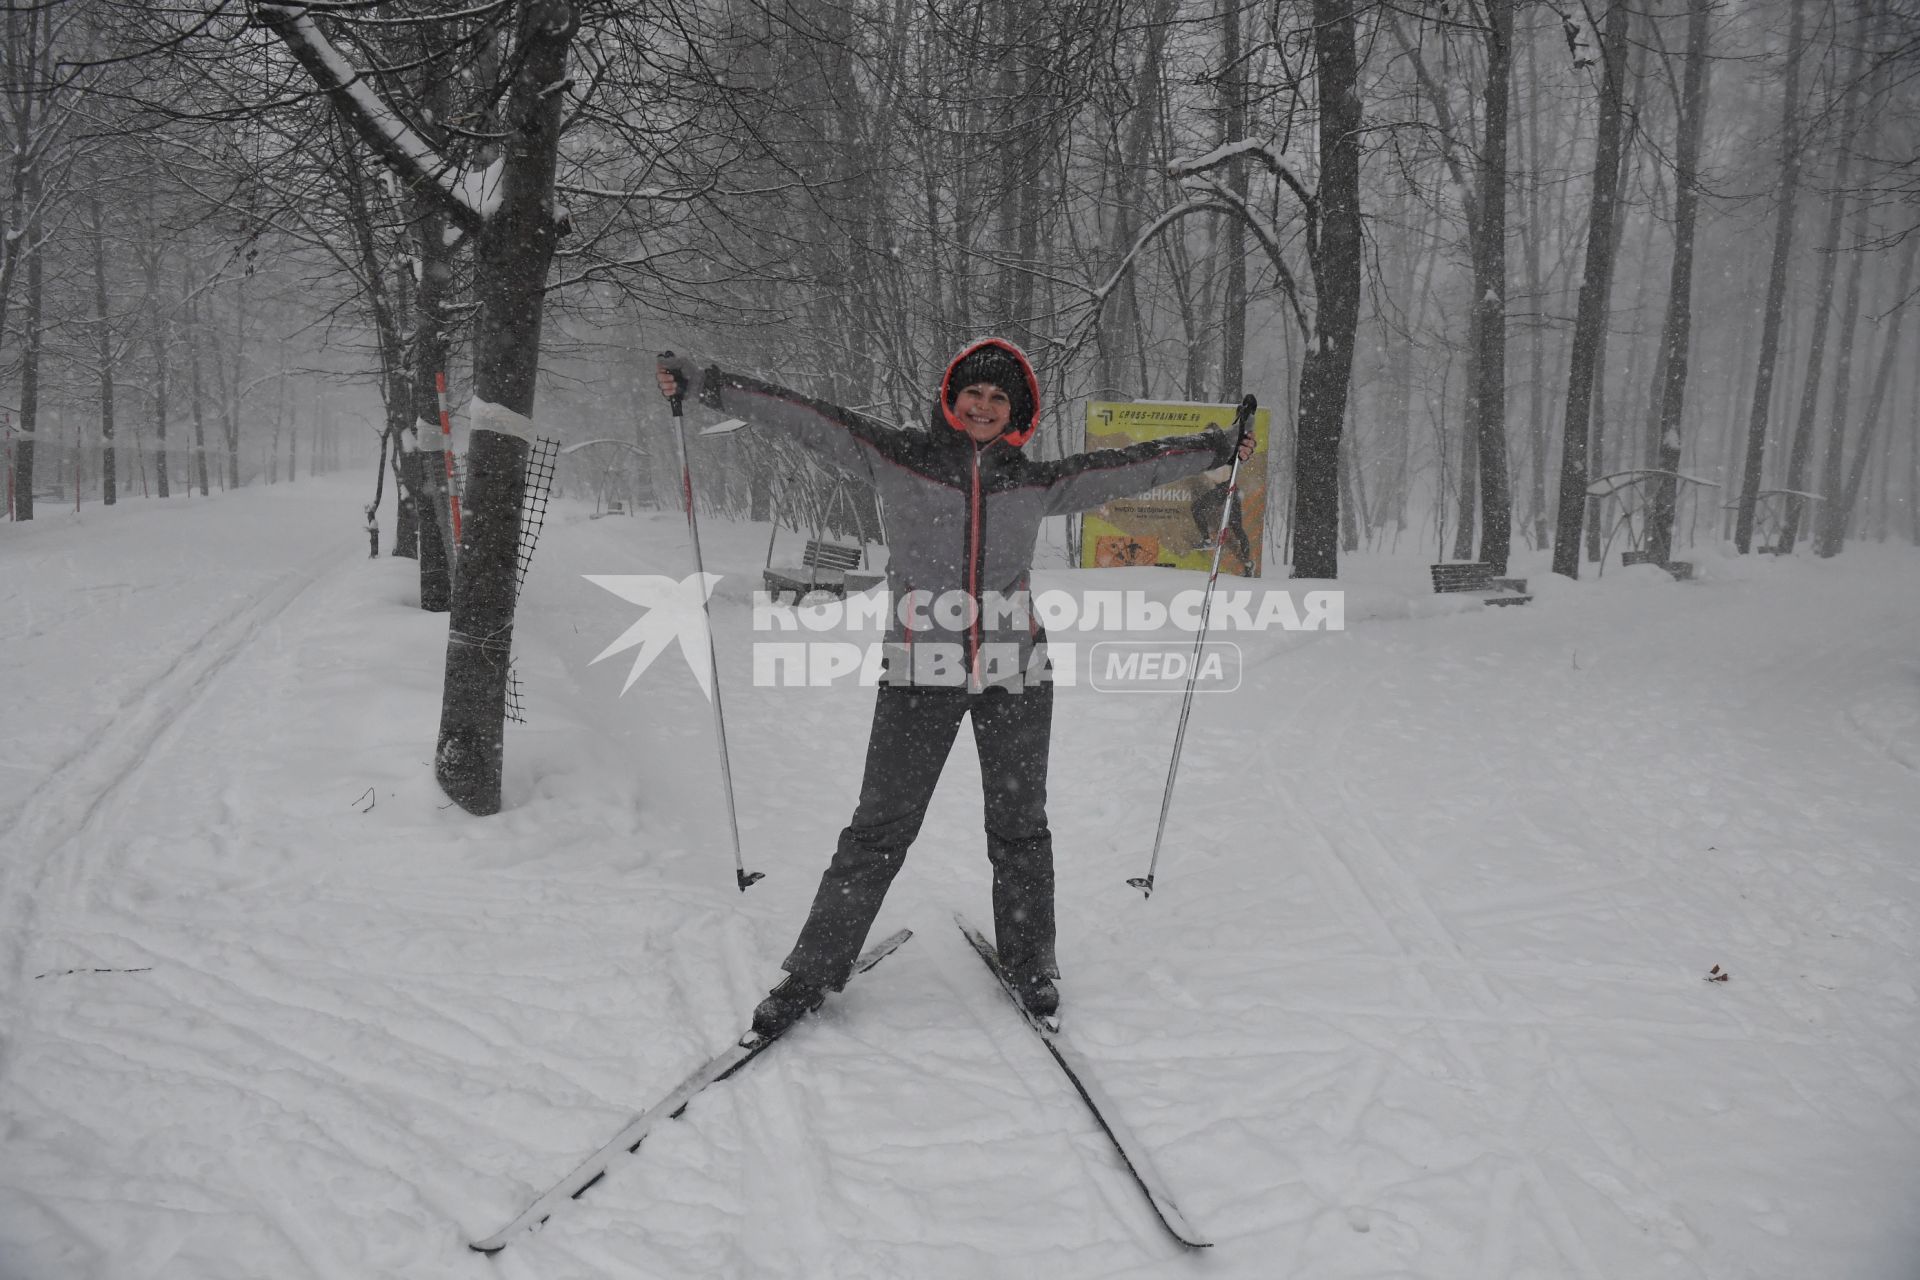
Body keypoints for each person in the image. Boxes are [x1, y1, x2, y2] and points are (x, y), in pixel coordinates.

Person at [655, 339, 1253, 1036]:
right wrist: (711, 386)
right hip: (919, 677)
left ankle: (1032, 964)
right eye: (975, 392)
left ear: (1017, 410)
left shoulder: (1036, 481)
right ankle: (811, 974)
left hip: (1017, 678)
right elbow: (808, 419)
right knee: (877, 832)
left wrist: (1217, 447)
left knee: (1021, 830)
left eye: (1000, 398)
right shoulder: (899, 457)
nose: (985, 406)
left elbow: (1129, 468)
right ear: (952, 395)